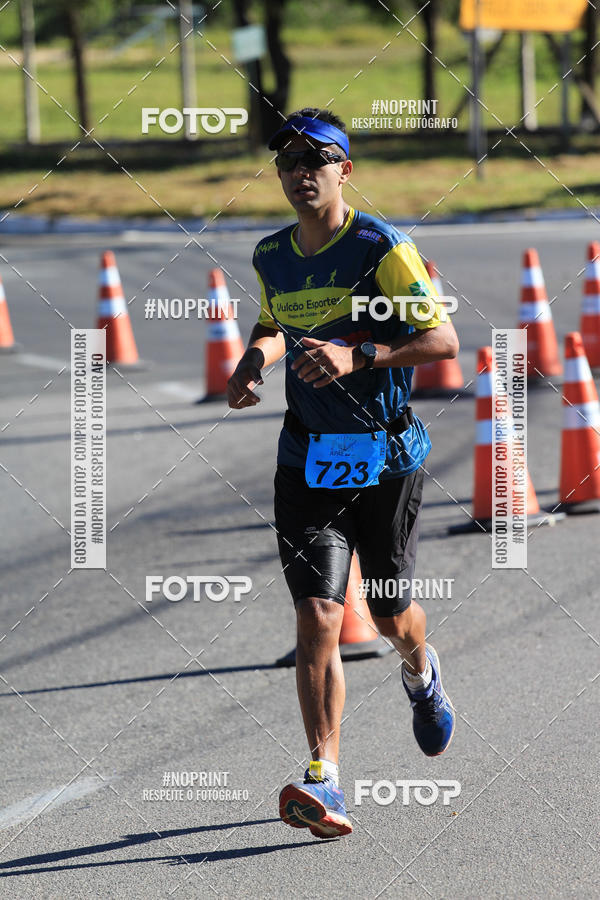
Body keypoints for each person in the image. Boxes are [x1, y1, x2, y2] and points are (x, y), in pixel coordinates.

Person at [227, 108, 459, 839]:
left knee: (389, 614)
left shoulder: (380, 248)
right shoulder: (272, 254)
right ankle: (324, 780)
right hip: (308, 458)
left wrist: (360, 357)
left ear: (344, 170)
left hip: (386, 456)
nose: (301, 173)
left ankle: (421, 670)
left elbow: (443, 339)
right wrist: (252, 360)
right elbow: (274, 324)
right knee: (318, 615)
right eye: (289, 161)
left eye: (316, 160)